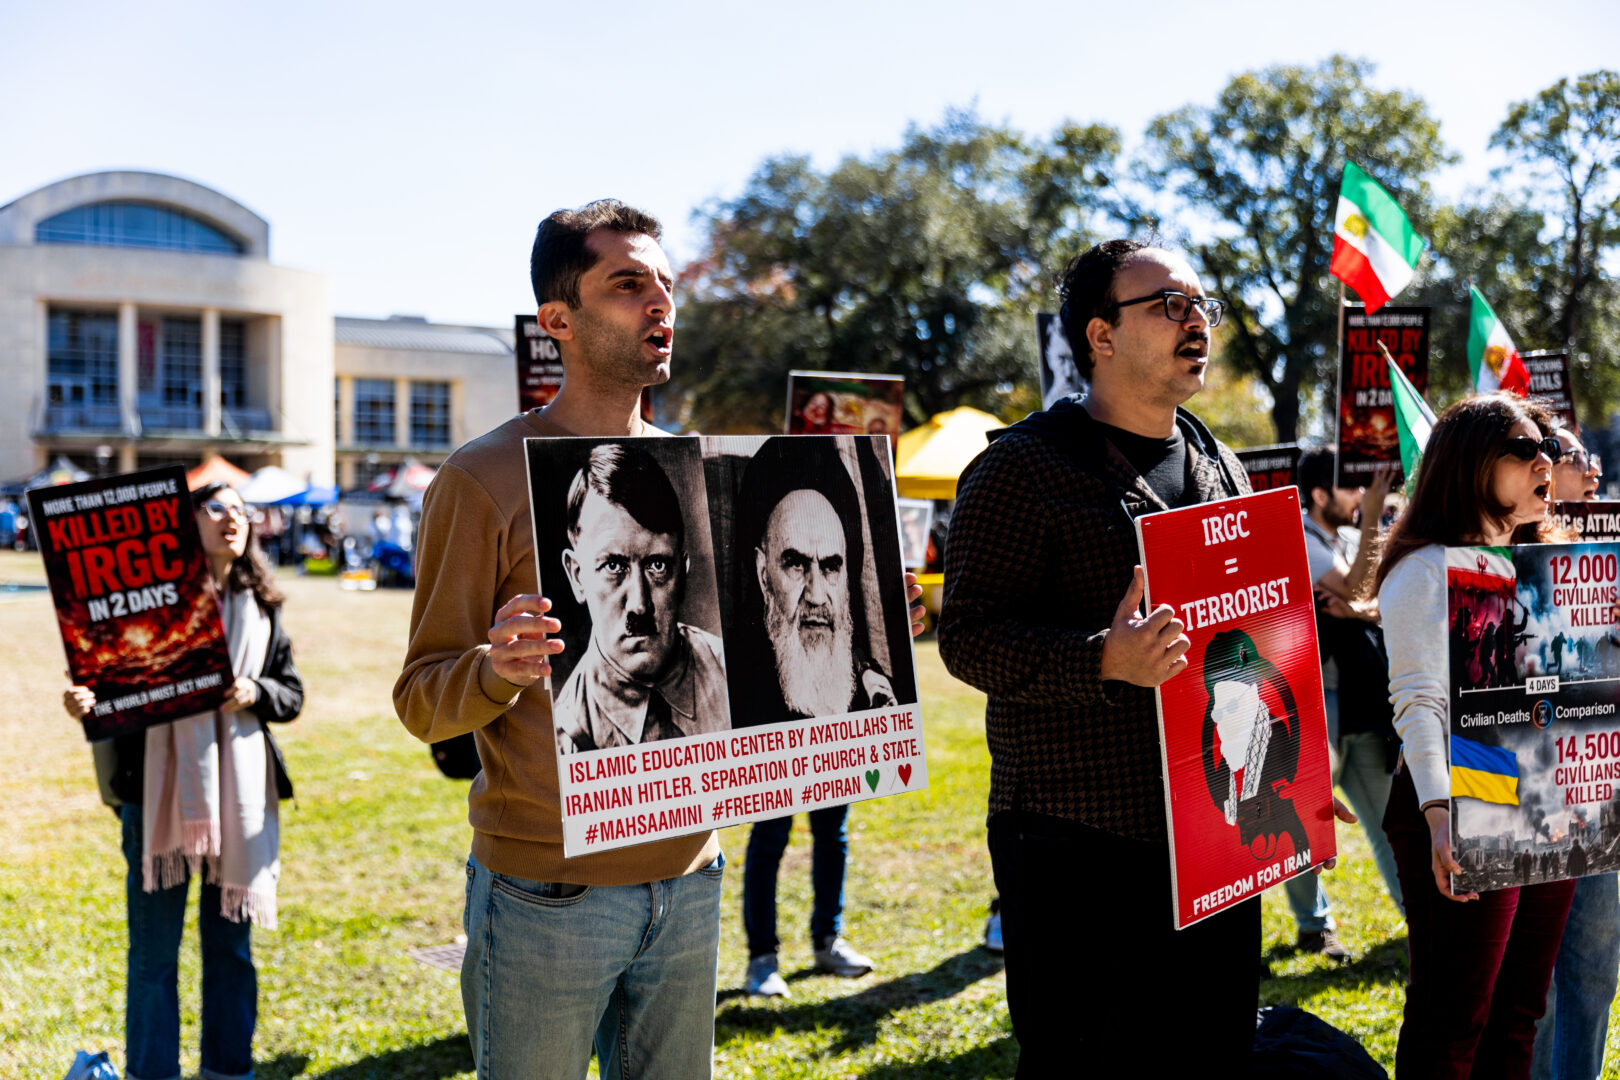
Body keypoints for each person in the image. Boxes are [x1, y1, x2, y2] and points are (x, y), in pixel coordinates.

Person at [394, 200, 923, 1078]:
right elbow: (421, 698)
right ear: (557, 319)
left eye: (666, 286)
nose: (660, 306)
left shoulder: (692, 466)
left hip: (690, 880)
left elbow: (774, 704)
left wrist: (877, 641)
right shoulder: (482, 476)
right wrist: (496, 668)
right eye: (628, 283)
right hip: (547, 894)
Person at [938, 239, 1351, 1074]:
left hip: (1215, 835)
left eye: (1202, 304)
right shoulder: (1018, 469)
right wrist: (1101, 660)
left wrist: (1301, 760)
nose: (1195, 320)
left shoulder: (1222, 465)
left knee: (1212, 1051)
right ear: (1099, 334)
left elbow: (1259, 632)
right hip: (1075, 839)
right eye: (1168, 304)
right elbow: (967, 638)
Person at [63, 481, 302, 1080]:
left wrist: (257, 691)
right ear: (184, 521)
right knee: (153, 955)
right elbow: (113, 688)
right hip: (157, 794)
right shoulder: (147, 602)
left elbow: (291, 693)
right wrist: (86, 701)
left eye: (242, 510)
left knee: (230, 951)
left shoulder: (263, 606)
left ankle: (227, 1071)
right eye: (217, 507)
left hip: (239, 797)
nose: (233, 519)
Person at [1376, 392, 1576, 1079]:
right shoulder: (1424, 567)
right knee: (1453, 1018)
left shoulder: (1540, 567)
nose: (1544, 461)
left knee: (1520, 1013)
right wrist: (1439, 812)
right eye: (1524, 450)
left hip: (1547, 800)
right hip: (1463, 797)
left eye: (1547, 447)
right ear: (1469, 466)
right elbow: (1419, 703)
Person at [728, 436, 906, 995]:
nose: (816, 593)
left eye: (831, 567)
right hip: (772, 741)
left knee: (834, 834)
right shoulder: (742, 680)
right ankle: (763, 958)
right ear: (762, 573)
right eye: (795, 564)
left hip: (837, 737)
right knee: (771, 836)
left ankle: (827, 940)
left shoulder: (866, 680)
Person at [1531, 421, 1619, 1080]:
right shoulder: (1474, 557)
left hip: (1593, 792)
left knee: (1591, 971)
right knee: (1534, 990)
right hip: (1514, 800)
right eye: (1571, 456)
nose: (1590, 469)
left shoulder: (1604, 560)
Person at [1290, 449, 1405, 948]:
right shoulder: (1302, 536)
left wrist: (1358, 610)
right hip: (1314, 698)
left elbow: (1379, 597)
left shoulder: (1346, 538)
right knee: (1306, 817)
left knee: (1387, 819)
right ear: (1319, 495)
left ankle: (1423, 923)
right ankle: (1315, 927)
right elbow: (1360, 584)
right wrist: (1377, 514)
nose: (1360, 494)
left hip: (1357, 698)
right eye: (1349, 485)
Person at [552, 442, 729, 751]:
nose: (640, 605)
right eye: (613, 566)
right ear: (577, 577)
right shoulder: (565, 737)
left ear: (683, 572)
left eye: (657, 565)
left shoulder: (730, 671)